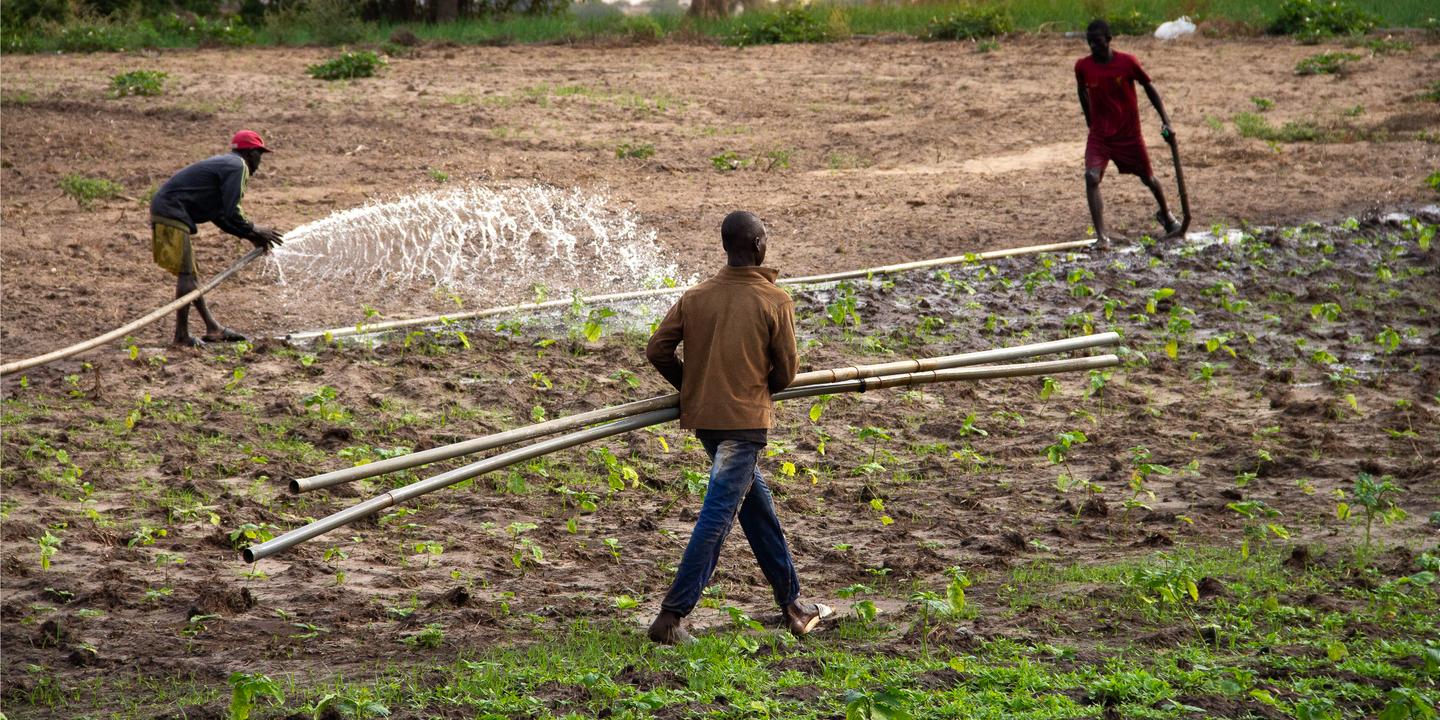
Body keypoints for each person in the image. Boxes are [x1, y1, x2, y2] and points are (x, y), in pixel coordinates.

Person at [644, 211, 831, 645]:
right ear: (759, 245)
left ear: (727, 247)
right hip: (744, 424)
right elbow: (785, 373)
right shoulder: (774, 300)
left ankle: (793, 603)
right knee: (718, 517)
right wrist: (753, 388)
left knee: (755, 508)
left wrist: (694, 385)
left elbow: (658, 349)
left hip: (707, 422)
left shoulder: (697, 295)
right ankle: (670, 618)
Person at [149, 130, 285, 347]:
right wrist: (255, 228)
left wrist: (250, 235)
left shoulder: (228, 164)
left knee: (190, 276)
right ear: (250, 153)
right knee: (187, 276)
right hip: (171, 213)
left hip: (169, 211)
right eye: (260, 154)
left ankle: (213, 328)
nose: (260, 161)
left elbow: (219, 215)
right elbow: (232, 212)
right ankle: (181, 336)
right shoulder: (238, 167)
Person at [1074, 19, 1179, 245]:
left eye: (1098, 42)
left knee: (1148, 178)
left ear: (1109, 40)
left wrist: (1166, 121)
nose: (1094, 47)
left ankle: (1167, 216)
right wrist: (1089, 119)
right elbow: (1081, 90)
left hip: (1128, 134)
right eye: (1090, 43)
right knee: (1091, 177)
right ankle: (1101, 236)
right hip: (1100, 135)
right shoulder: (1083, 67)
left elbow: (1149, 88)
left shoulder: (1127, 63)